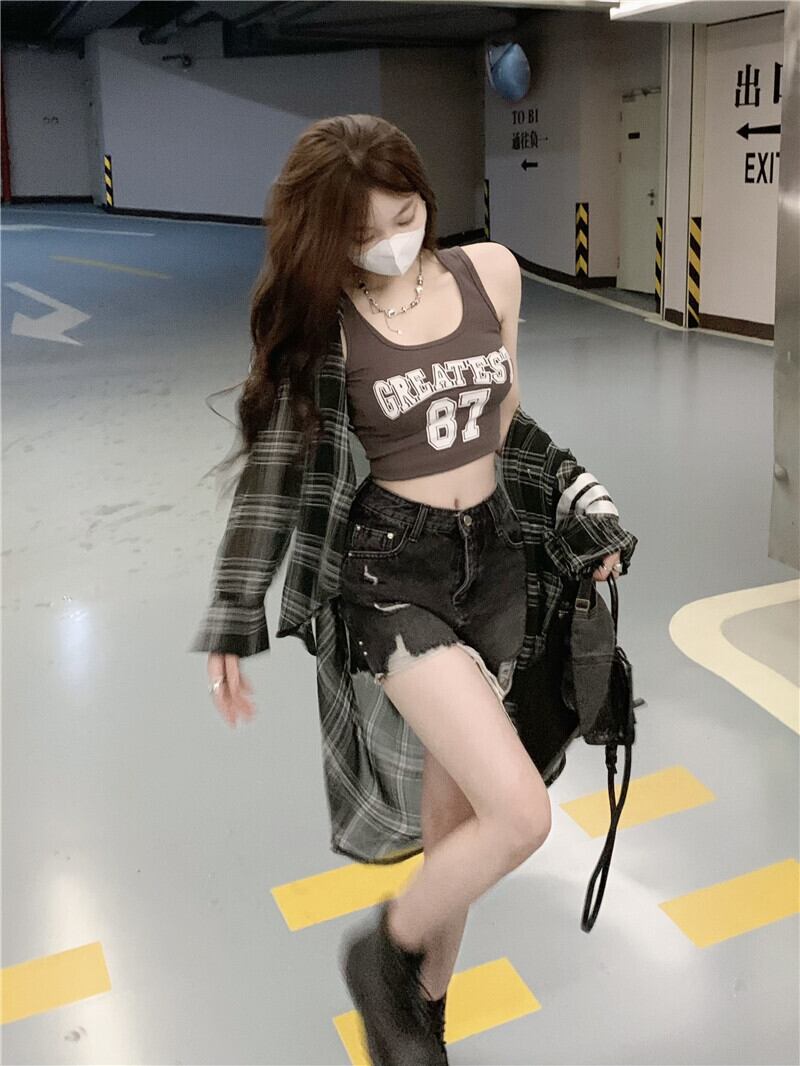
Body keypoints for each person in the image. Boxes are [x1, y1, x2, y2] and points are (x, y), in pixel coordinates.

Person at [198, 114, 628, 1066]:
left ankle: (419, 1022)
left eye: (405, 214)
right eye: (363, 232)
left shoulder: (493, 274)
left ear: (425, 197)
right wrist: (233, 611)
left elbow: (504, 423)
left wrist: (575, 498)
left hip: (495, 564)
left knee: (456, 825)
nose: (391, 241)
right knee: (520, 814)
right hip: (394, 574)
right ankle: (382, 953)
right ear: (329, 237)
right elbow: (276, 467)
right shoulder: (329, 321)